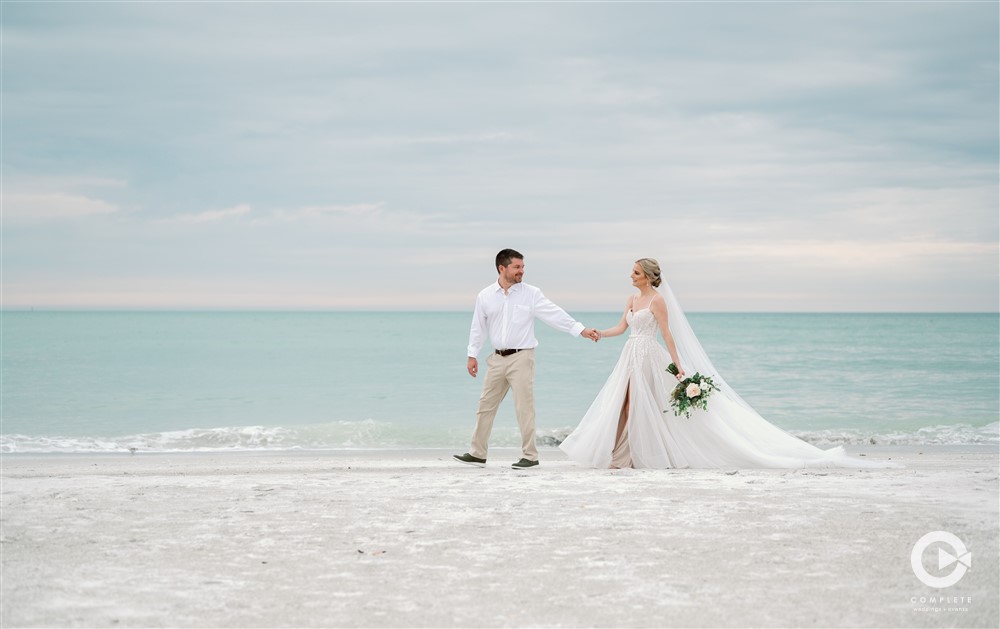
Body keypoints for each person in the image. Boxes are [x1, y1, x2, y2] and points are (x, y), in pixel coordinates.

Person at [559, 258, 899, 469]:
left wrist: (679, 369)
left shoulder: (658, 301)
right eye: (631, 272)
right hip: (629, 355)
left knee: (636, 403)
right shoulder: (632, 299)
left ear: (647, 276)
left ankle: (625, 458)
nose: (630, 276)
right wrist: (598, 334)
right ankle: (621, 455)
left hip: (649, 356)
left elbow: (668, 336)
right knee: (623, 403)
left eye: (634, 272)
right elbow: (622, 326)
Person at [454, 249, 600, 470]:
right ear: (502, 268)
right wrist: (472, 354)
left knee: (524, 408)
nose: (522, 271)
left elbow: (554, 313)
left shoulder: (531, 293)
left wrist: (580, 330)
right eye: (517, 267)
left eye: (522, 267)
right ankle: (477, 453)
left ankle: (530, 456)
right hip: (496, 359)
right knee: (485, 406)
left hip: (522, 358)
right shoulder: (485, 296)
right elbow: (478, 327)